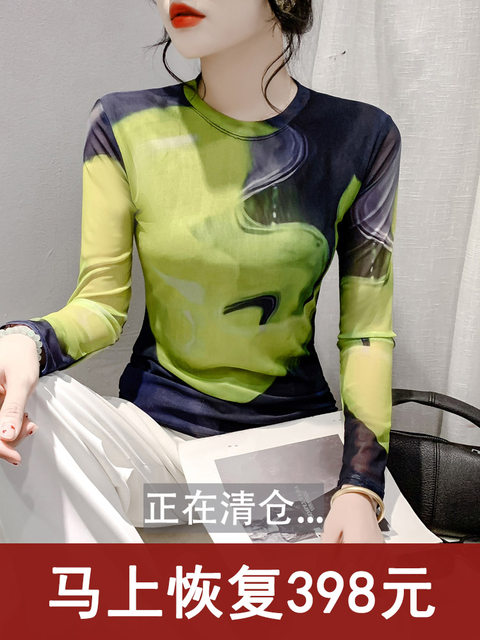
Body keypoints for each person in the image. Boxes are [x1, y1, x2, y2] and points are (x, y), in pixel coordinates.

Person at [0, 0, 401, 543]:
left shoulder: (360, 135)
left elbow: (366, 334)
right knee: (25, 409)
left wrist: (359, 485)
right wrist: (25, 341)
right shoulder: (124, 124)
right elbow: (100, 306)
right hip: (154, 446)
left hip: (283, 451)